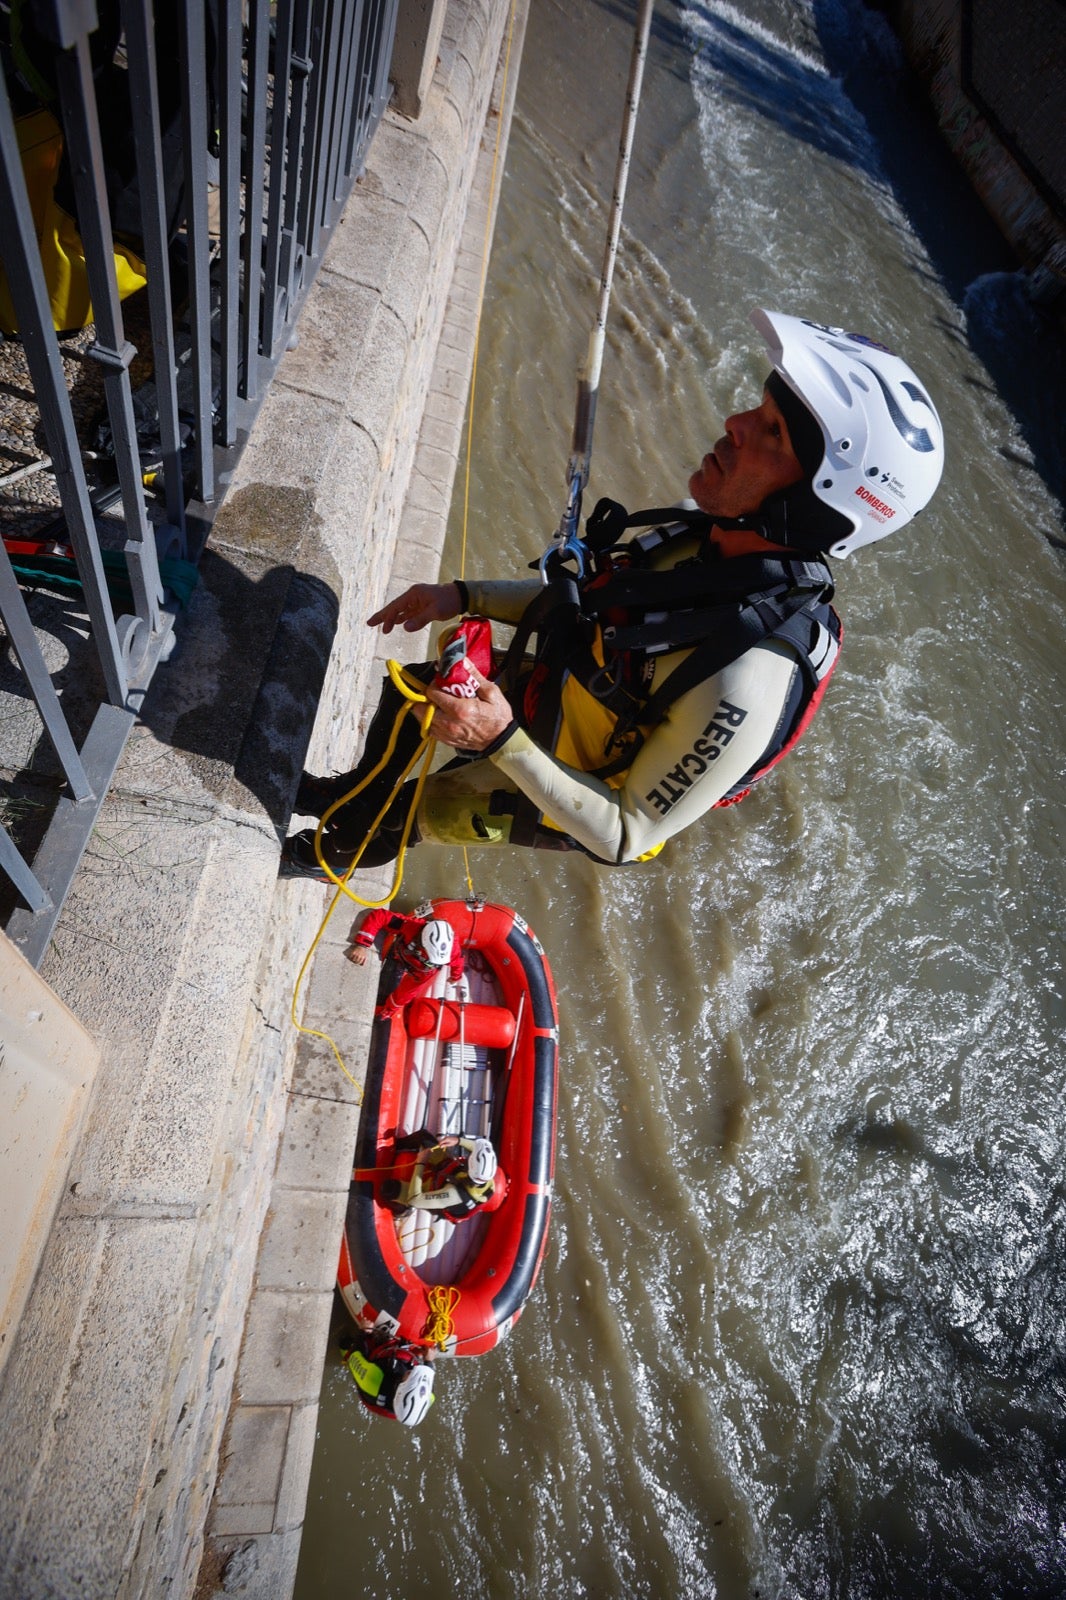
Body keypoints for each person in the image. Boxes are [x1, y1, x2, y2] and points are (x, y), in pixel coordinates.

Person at [280, 310, 944, 877]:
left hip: (569, 783)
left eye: (770, 433)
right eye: (758, 407)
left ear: (812, 506)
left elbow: (627, 836)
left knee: (423, 809)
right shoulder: (706, 540)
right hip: (570, 691)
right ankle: (340, 796)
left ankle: (323, 853)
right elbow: (590, 601)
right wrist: (462, 594)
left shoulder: (745, 682)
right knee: (409, 699)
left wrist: (503, 739)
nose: (735, 423)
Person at [348, 910, 464, 1019]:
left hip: (422, 973)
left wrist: (455, 977)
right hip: (400, 956)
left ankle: (388, 1010)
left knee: (404, 995)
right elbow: (379, 916)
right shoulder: (411, 926)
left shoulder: (453, 949)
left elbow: (458, 962)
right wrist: (362, 945)